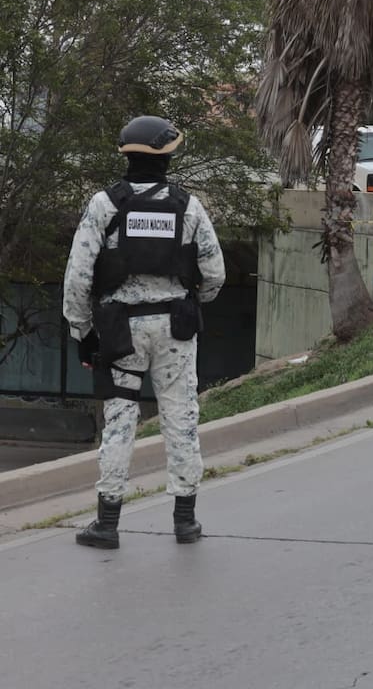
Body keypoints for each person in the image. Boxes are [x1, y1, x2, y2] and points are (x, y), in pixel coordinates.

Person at [63, 116, 226, 549]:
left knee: (120, 420)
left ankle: (108, 523)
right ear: (168, 157)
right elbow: (215, 273)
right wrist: (195, 301)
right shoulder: (188, 206)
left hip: (120, 329)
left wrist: (82, 330)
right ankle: (185, 521)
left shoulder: (104, 205)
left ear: (126, 154)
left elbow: (78, 276)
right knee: (181, 416)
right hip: (175, 326)